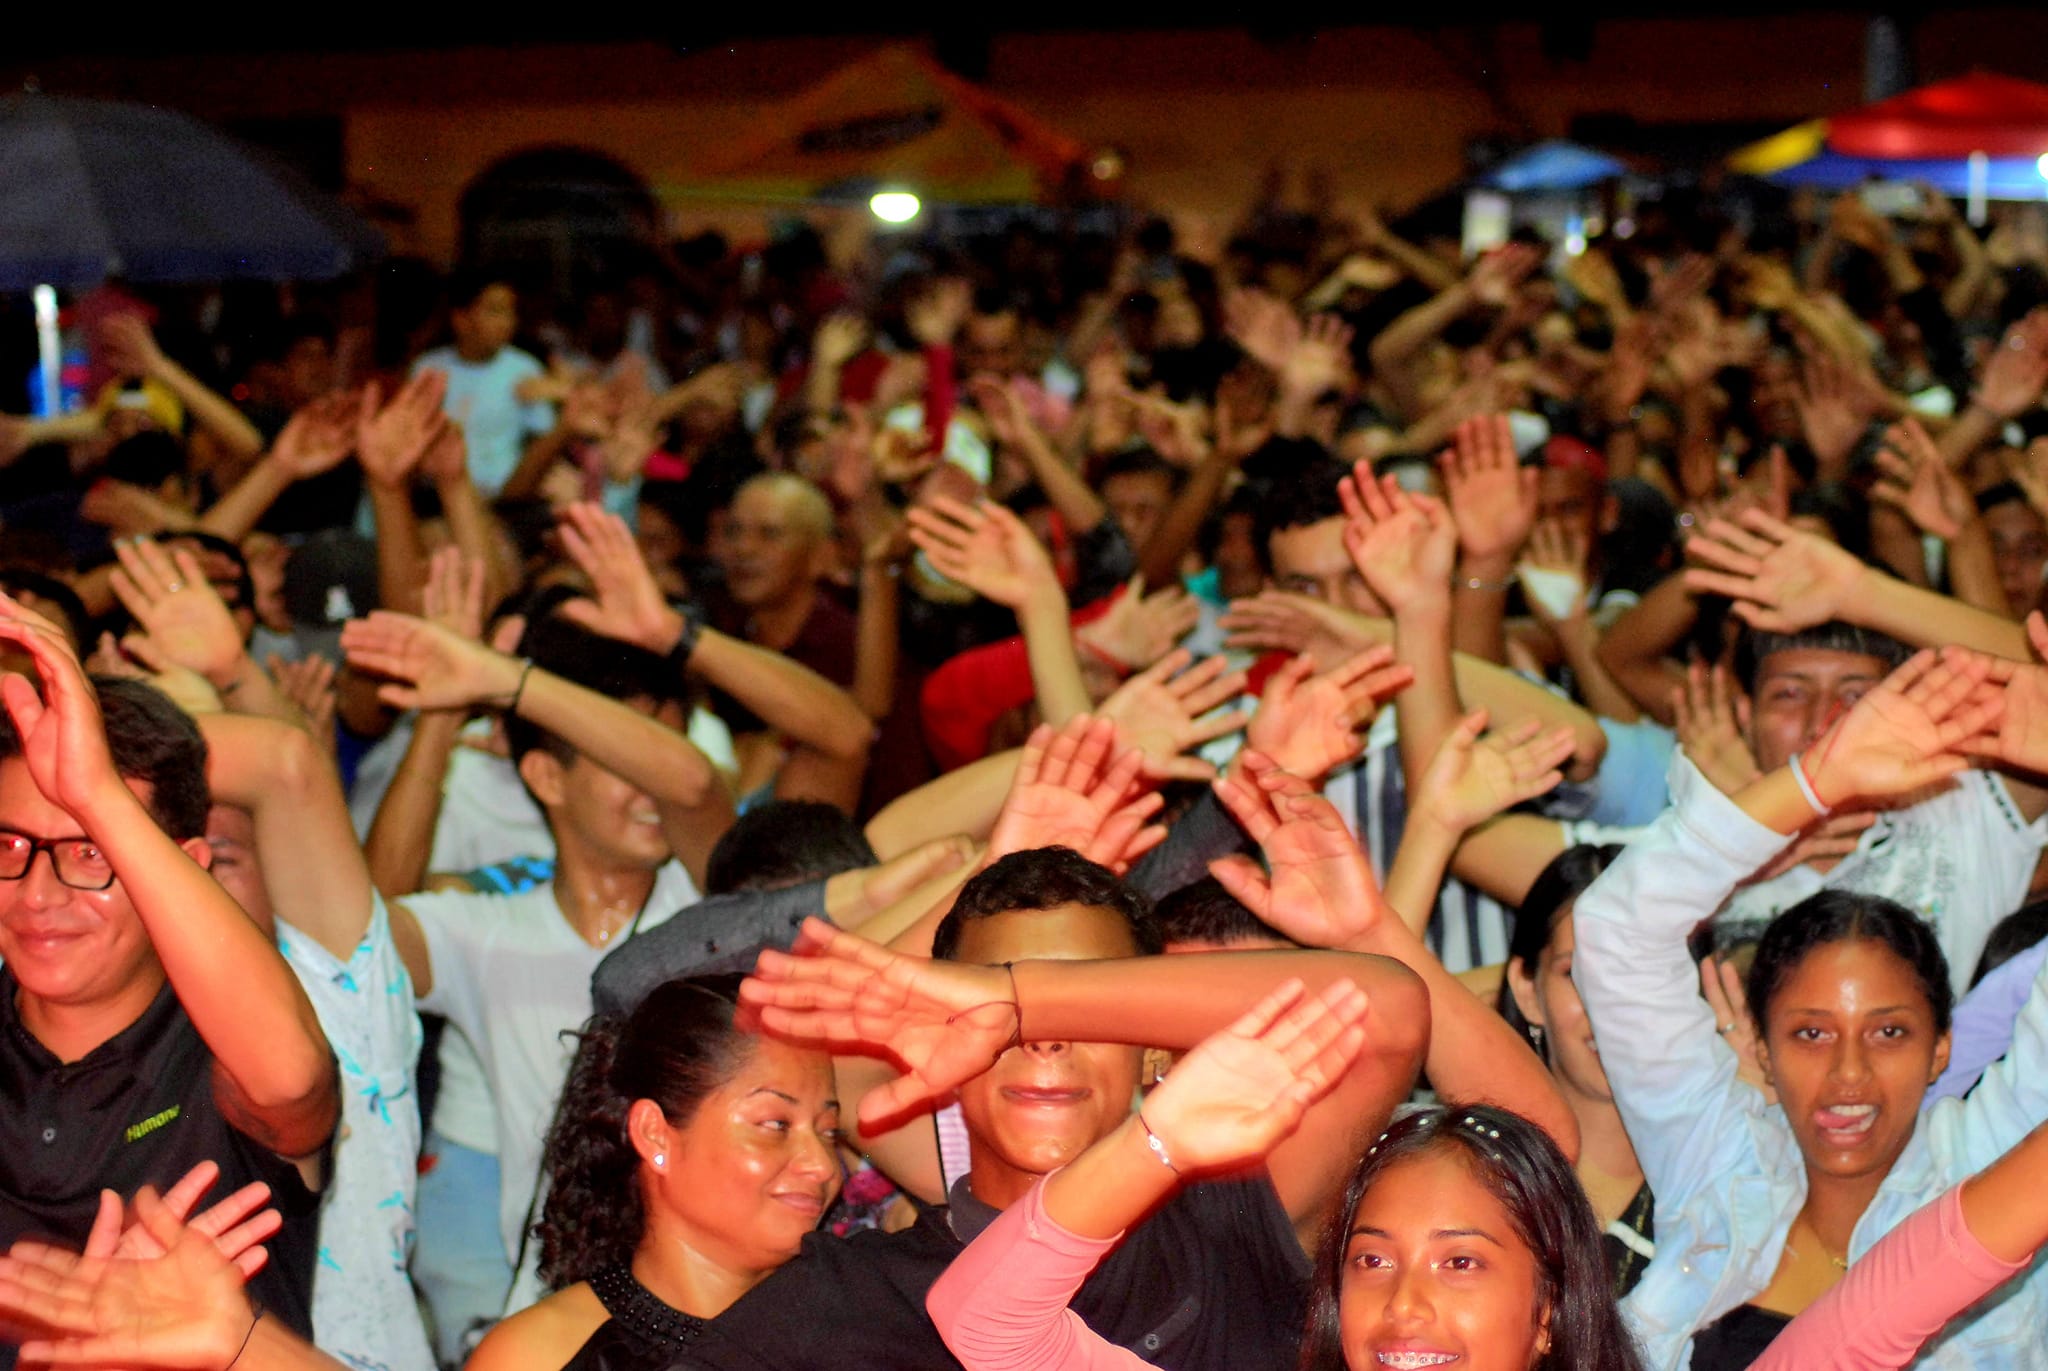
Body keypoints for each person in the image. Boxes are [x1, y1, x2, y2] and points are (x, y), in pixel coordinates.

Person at [669, 841, 1433, 1371]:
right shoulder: (840, 1301)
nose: (1041, 1039)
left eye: (1084, 1006)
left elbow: (1390, 1009)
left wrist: (1016, 998)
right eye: (985, 1011)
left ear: (1154, 1047)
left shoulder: (1233, 1218)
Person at [1572, 646, 2048, 1367]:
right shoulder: (1719, 1161)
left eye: (1889, 1032)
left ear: (1942, 1049)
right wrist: (1815, 780)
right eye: (1810, 1034)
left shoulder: (1988, 1162)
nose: (1849, 1073)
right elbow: (1617, 929)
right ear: (1761, 1050)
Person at [340, 606, 729, 1334]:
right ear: (547, 775)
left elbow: (696, 788)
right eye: (623, 760)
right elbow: (364, 938)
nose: (651, 784)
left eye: (660, 750)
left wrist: (507, 679)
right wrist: (440, 717)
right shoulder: (488, 931)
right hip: (554, 1310)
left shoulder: (712, 902)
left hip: (723, 1301)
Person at [0, 596, 338, 1366]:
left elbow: (291, 1079)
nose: (38, 894)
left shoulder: (223, 1045)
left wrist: (98, 792)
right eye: (11, 845)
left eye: (90, 851)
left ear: (180, 869)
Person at [467, 976, 842, 1370]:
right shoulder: (537, 1356)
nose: (822, 1165)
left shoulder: (859, 1325)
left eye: (831, 1132)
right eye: (775, 1124)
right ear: (654, 1135)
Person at [1497, 844, 1657, 1297]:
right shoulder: (1476, 1168)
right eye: (1578, 974)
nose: (1610, 1006)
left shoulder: (1739, 1170)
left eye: (1641, 970)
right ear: (1528, 991)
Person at [408, 270, 553, 497]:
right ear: (461, 319)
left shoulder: (525, 369)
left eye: (510, 312)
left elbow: (541, 437)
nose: (507, 322)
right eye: (495, 311)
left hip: (503, 498)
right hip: (438, 495)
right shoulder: (429, 368)